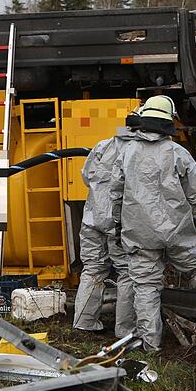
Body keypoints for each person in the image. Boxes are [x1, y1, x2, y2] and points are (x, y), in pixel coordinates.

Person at [109, 95, 196, 351]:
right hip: (178, 232)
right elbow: (195, 195)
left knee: (146, 287)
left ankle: (151, 347)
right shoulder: (179, 154)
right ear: (168, 122)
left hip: (139, 235)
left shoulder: (126, 153)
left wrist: (117, 226)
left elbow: (114, 194)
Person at [72, 118, 137, 335]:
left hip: (92, 218)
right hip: (119, 222)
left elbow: (86, 176)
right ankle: (125, 330)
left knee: (92, 270)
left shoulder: (103, 145)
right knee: (127, 272)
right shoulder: (138, 150)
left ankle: (84, 322)